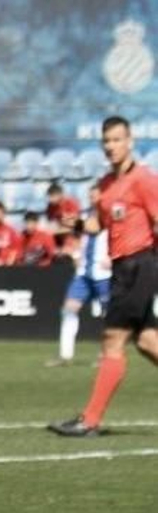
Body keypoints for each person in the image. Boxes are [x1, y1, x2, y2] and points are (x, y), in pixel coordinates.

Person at [49, 116, 158, 437]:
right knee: (147, 342)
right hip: (121, 269)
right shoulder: (107, 185)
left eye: (116, 139)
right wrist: (77, 224)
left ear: (130, 141)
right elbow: (100, 224)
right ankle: (90, 419)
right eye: (106, 141)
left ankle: (90, 420)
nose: (111, 146)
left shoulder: (144, 179)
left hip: (139, 266)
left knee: (112, 340)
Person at [49, 205, 110, 367]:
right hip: (83, 274)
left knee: (108, 316)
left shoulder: (108, 219)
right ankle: (65, 355)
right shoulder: (86, 218)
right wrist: (76, 255)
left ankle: (106, 355)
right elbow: (78, 238)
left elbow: (115, 237)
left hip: (103, 275)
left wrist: (113, 258)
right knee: (69, 309)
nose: (92, 198)